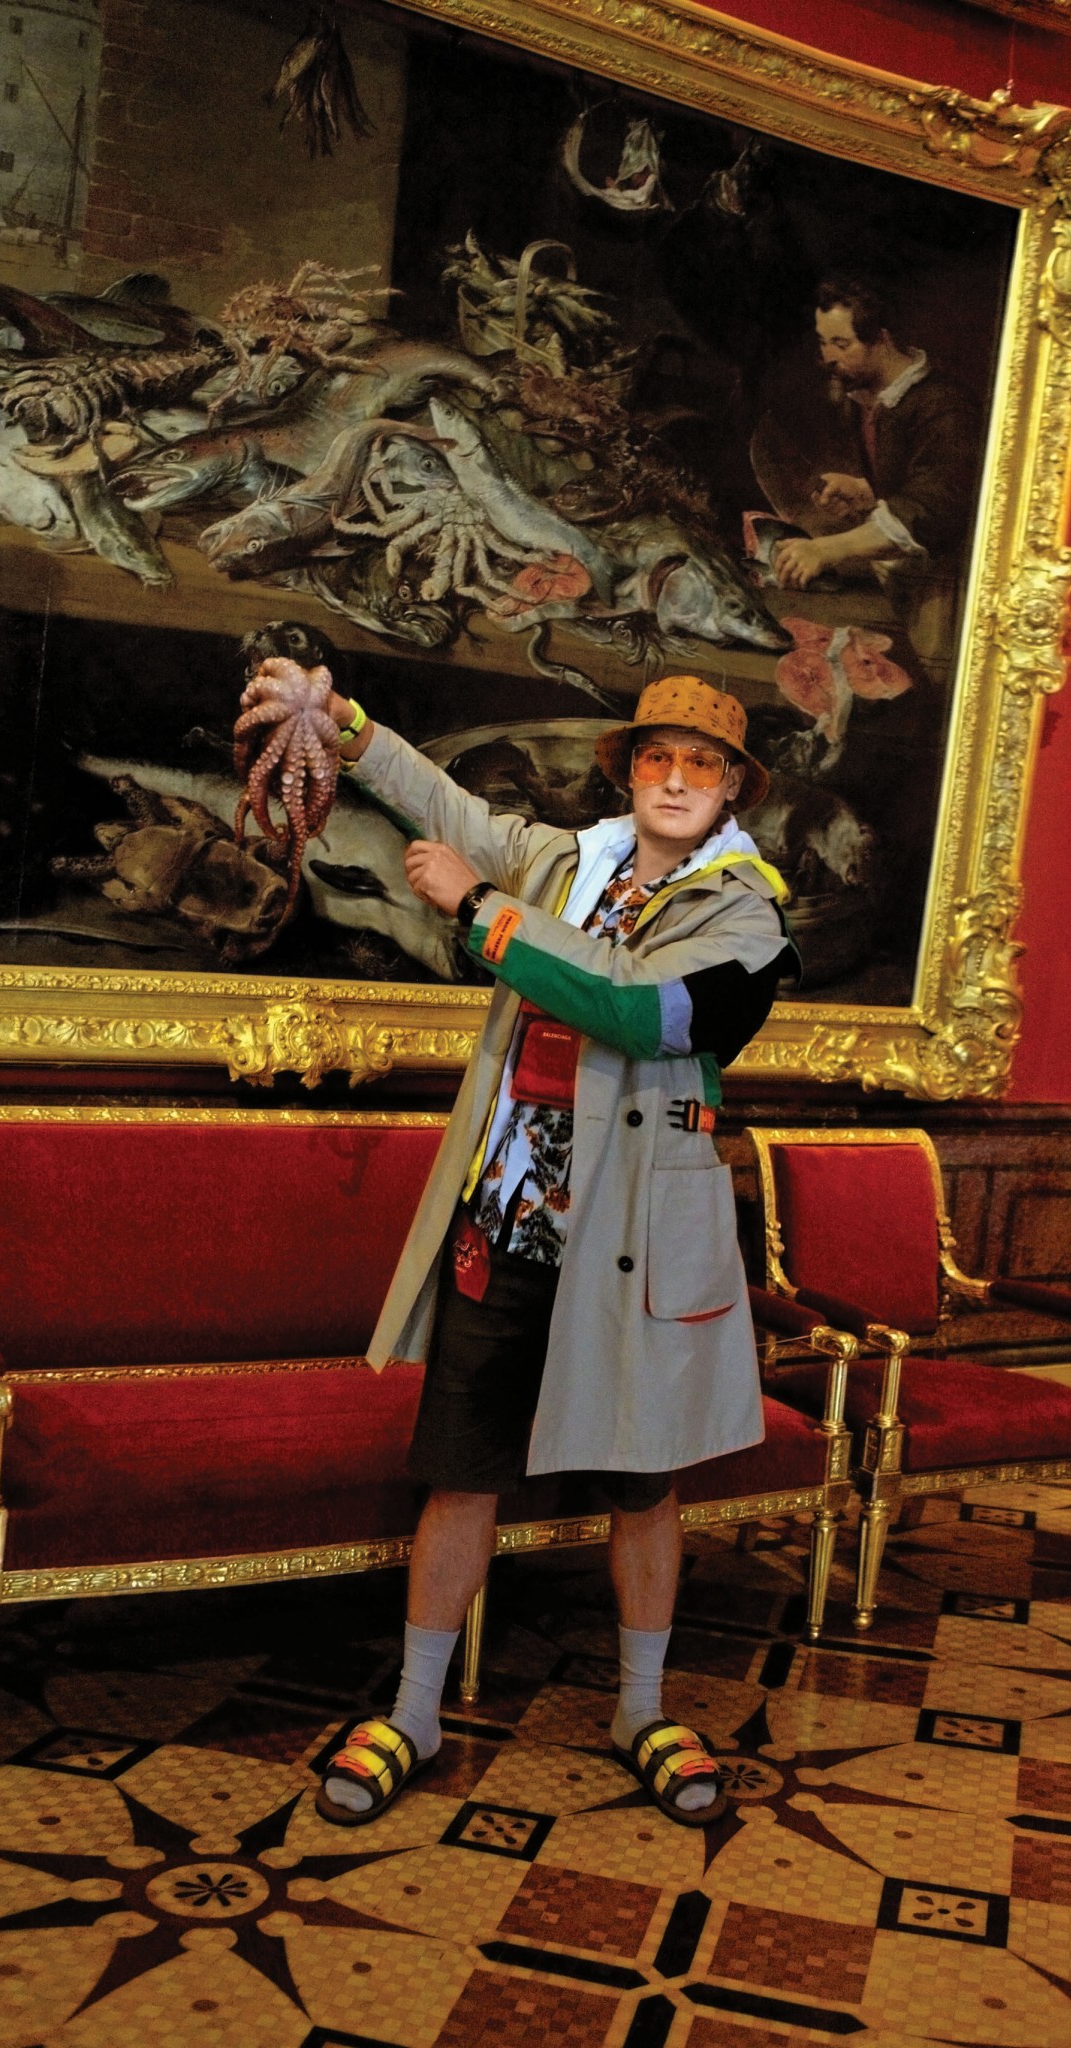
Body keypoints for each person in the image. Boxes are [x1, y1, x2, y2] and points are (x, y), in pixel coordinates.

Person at [310, 673, 792, 1831]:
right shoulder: (566, 861)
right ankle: (415, 1709)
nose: (674, 779)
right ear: (629, 770)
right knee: (462, 1468)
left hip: (632, 1241)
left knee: (643, 1483)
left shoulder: (747, 920)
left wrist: (482, 910)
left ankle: (640, 1706)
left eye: (702, 763)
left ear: (731, 787)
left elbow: (639, 1009)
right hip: (506, 1217)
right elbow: (449, 807)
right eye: (656, 756)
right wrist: (348, 727)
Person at [763, 278, 981, 591]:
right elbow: (911, 479)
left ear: (881, 339)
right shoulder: (869, 399)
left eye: (842, 344)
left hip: (949, 587)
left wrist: (827, 549)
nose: (828, 357)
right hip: (901, 581)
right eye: (823, 342)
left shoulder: (944, 406)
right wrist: (865, 492)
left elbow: (932, 510)